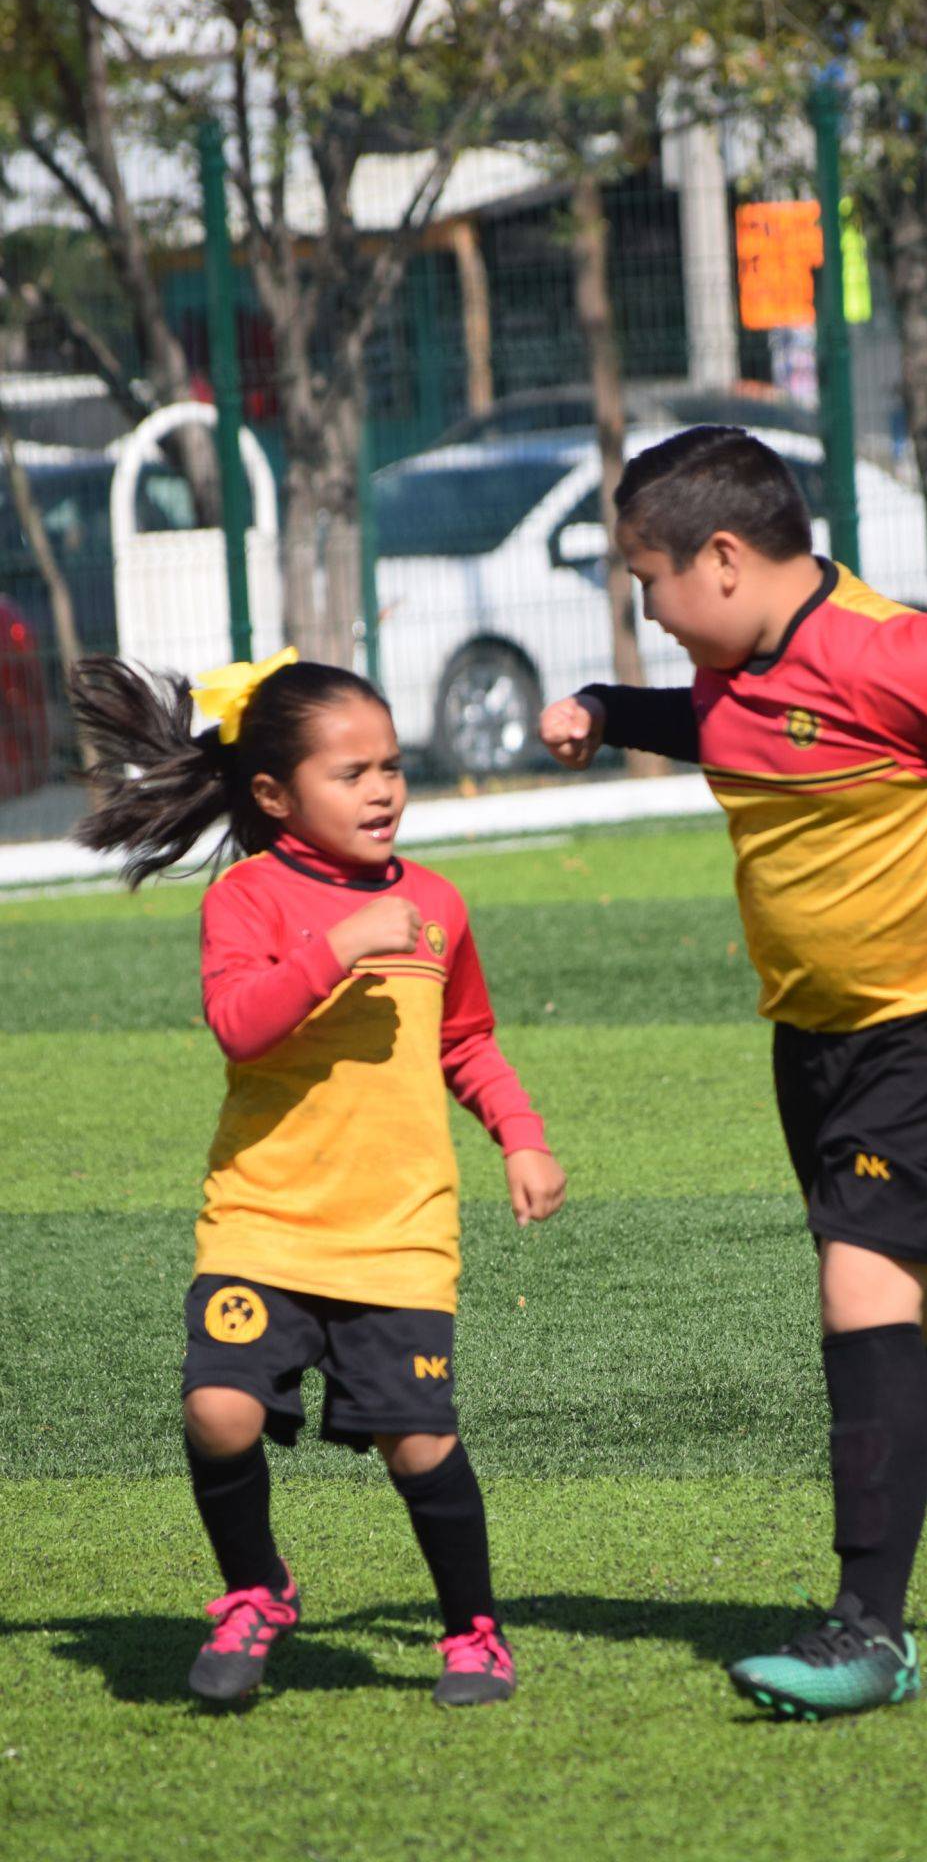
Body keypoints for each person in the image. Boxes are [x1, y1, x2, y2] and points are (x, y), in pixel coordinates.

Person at [540, 426, 927, 1722]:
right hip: (812, 1037)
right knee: (905, 1297)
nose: (647, 611)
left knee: (857, 1283)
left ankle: (869, 1632)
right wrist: (606, 713)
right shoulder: (733, 668)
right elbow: (717, 725)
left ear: (720, 560)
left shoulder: (888, 652)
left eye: (646, 583)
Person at [71, 646, 566, 1707]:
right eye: (351, 774)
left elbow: (466, 1039)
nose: (382, 789)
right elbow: (240, 1027)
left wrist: (520, 1134)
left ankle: (472, 1631)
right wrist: (337, 946)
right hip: (264, 1220)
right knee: (219, 1410)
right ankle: (256, 1590)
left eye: (391, 766)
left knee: (417, 1441)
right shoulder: (248, 898)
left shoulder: (435, 903)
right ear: (273, 794)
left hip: (399, 1230)